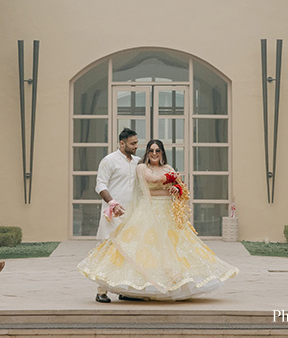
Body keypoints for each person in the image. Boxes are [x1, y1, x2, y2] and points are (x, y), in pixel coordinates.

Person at [78, 138, 238, 301]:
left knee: (173, 249)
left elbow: (180, 186)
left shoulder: (167, 168)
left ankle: (137, 290)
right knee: (137, 248)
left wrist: (176, 187)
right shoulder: (141, 167)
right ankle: (105, 288)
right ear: (147, 153)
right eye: (151, 150)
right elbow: (148, 184)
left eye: (157, 150)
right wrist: (169, 182)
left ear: (162, 153)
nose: (154, 153)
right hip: (147, 211)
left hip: (167, 212)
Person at [91, 127, 140, 303]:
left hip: (131, 216)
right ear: (122, 143)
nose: (136, 146)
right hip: (112, 216)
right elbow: (100, 185)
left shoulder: (137, 162)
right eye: (132, 143)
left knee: (129, 254)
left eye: (136, 143)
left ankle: (124, 290)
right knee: (108, 254)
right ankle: (101, 291)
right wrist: (113, 203)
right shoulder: (109, 160)